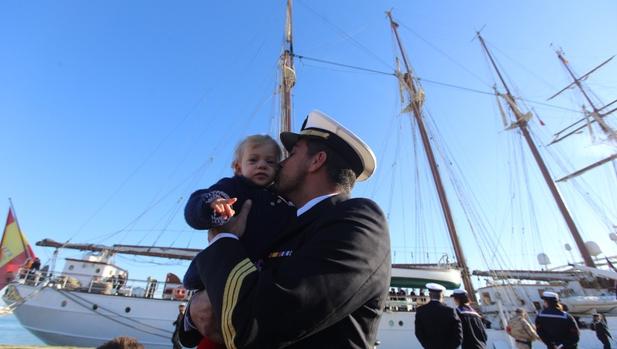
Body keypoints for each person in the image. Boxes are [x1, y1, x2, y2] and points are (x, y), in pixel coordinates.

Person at [180, 110, 390, 348]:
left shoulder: (359, 220)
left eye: (291, 154)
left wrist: (224, 238)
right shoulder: (289, 221)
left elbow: (258, 322)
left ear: (316, 161)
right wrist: (196, 307)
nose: (280, 163)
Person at [183, 134, 296, 290]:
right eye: (253, 160)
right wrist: (212, 204)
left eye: (270, 161)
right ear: (238, 168)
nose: (262, 165)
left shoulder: (282, 199)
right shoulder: (232, 187)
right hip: (221, 269)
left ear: (278, 169)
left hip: (258, 273)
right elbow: (196, 204)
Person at [415, 282, 462, 349]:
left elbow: (419, 333)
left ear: (429, 295)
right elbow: (459, 335)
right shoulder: (450, 311)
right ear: (442, 295)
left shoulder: (421, 311)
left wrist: (428, 346)